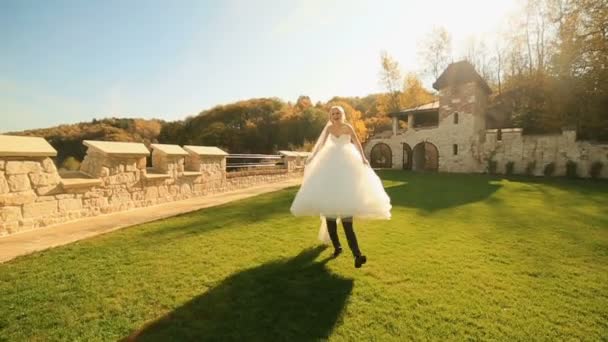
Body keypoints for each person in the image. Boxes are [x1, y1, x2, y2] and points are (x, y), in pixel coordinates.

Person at [290, 105, 391, 268]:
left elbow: (357, 143)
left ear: (342, 115)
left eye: (338, 113)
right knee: (330, 218)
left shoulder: (348, 127)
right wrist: (311, 158)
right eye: (333, 113)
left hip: (346, 168)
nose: (336, 115)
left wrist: (364, 158)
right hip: (329, 170)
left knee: (347, 222)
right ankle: (337, 247)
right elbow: (321, 146)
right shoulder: (329, 129)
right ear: (330, 116)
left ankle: (357, 255)